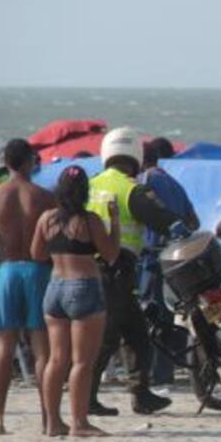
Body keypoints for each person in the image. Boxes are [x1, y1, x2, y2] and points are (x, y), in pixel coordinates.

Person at [86, 127, 196, 416]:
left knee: (136, 334)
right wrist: (182, 229)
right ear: (135, 155)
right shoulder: (131, 189)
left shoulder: (91, 184)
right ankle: (88, 398)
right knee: (108, 338)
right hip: (117, 270)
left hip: (89, 268)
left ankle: (141, 393)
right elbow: (165, 220)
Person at [31, 166, 120, 437]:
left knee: (56, 359)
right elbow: (111, 254)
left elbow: (37, 254)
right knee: (82, 362)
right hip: (84, 286)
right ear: (84, 191)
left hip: (55, 287)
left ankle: (52, 422)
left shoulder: (46, 219)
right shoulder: (89, 220)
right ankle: (79, 423)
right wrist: (114, 222)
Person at [0, 138, 54, 434]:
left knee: (3, 348)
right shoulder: (45, 196)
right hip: (38, 270)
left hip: (6, 271)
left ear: (5, 163)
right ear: (31, 161)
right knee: (42, 349)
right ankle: (48, 419)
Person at [140, 137, 197, 385]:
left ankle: (152, 373)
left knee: (149, 314)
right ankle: (164, 372)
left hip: (152, 259)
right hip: (175, 259)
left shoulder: (144, 182)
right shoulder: (174, 183)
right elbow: (193, 221)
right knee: (166, 316)